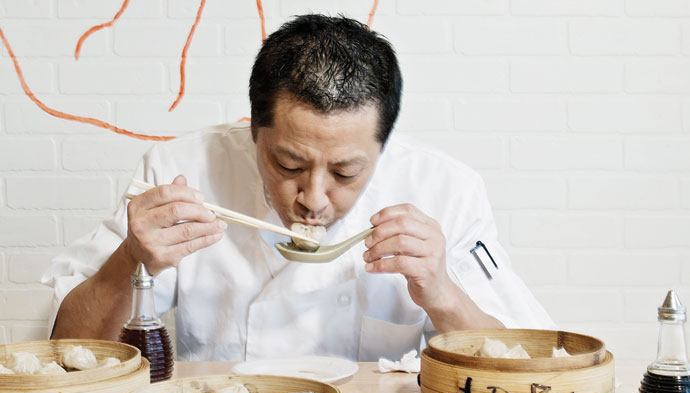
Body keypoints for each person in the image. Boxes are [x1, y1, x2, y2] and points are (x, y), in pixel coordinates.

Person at [43, 14, 554, 361]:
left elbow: (530, 365)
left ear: (385, 145)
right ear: (252, 130)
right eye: (287, 163)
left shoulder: (444, 188)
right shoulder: (181, 169)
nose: (313, 198)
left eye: (346, 173)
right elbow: (66, 350)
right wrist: (131, 258)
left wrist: (440, 293)